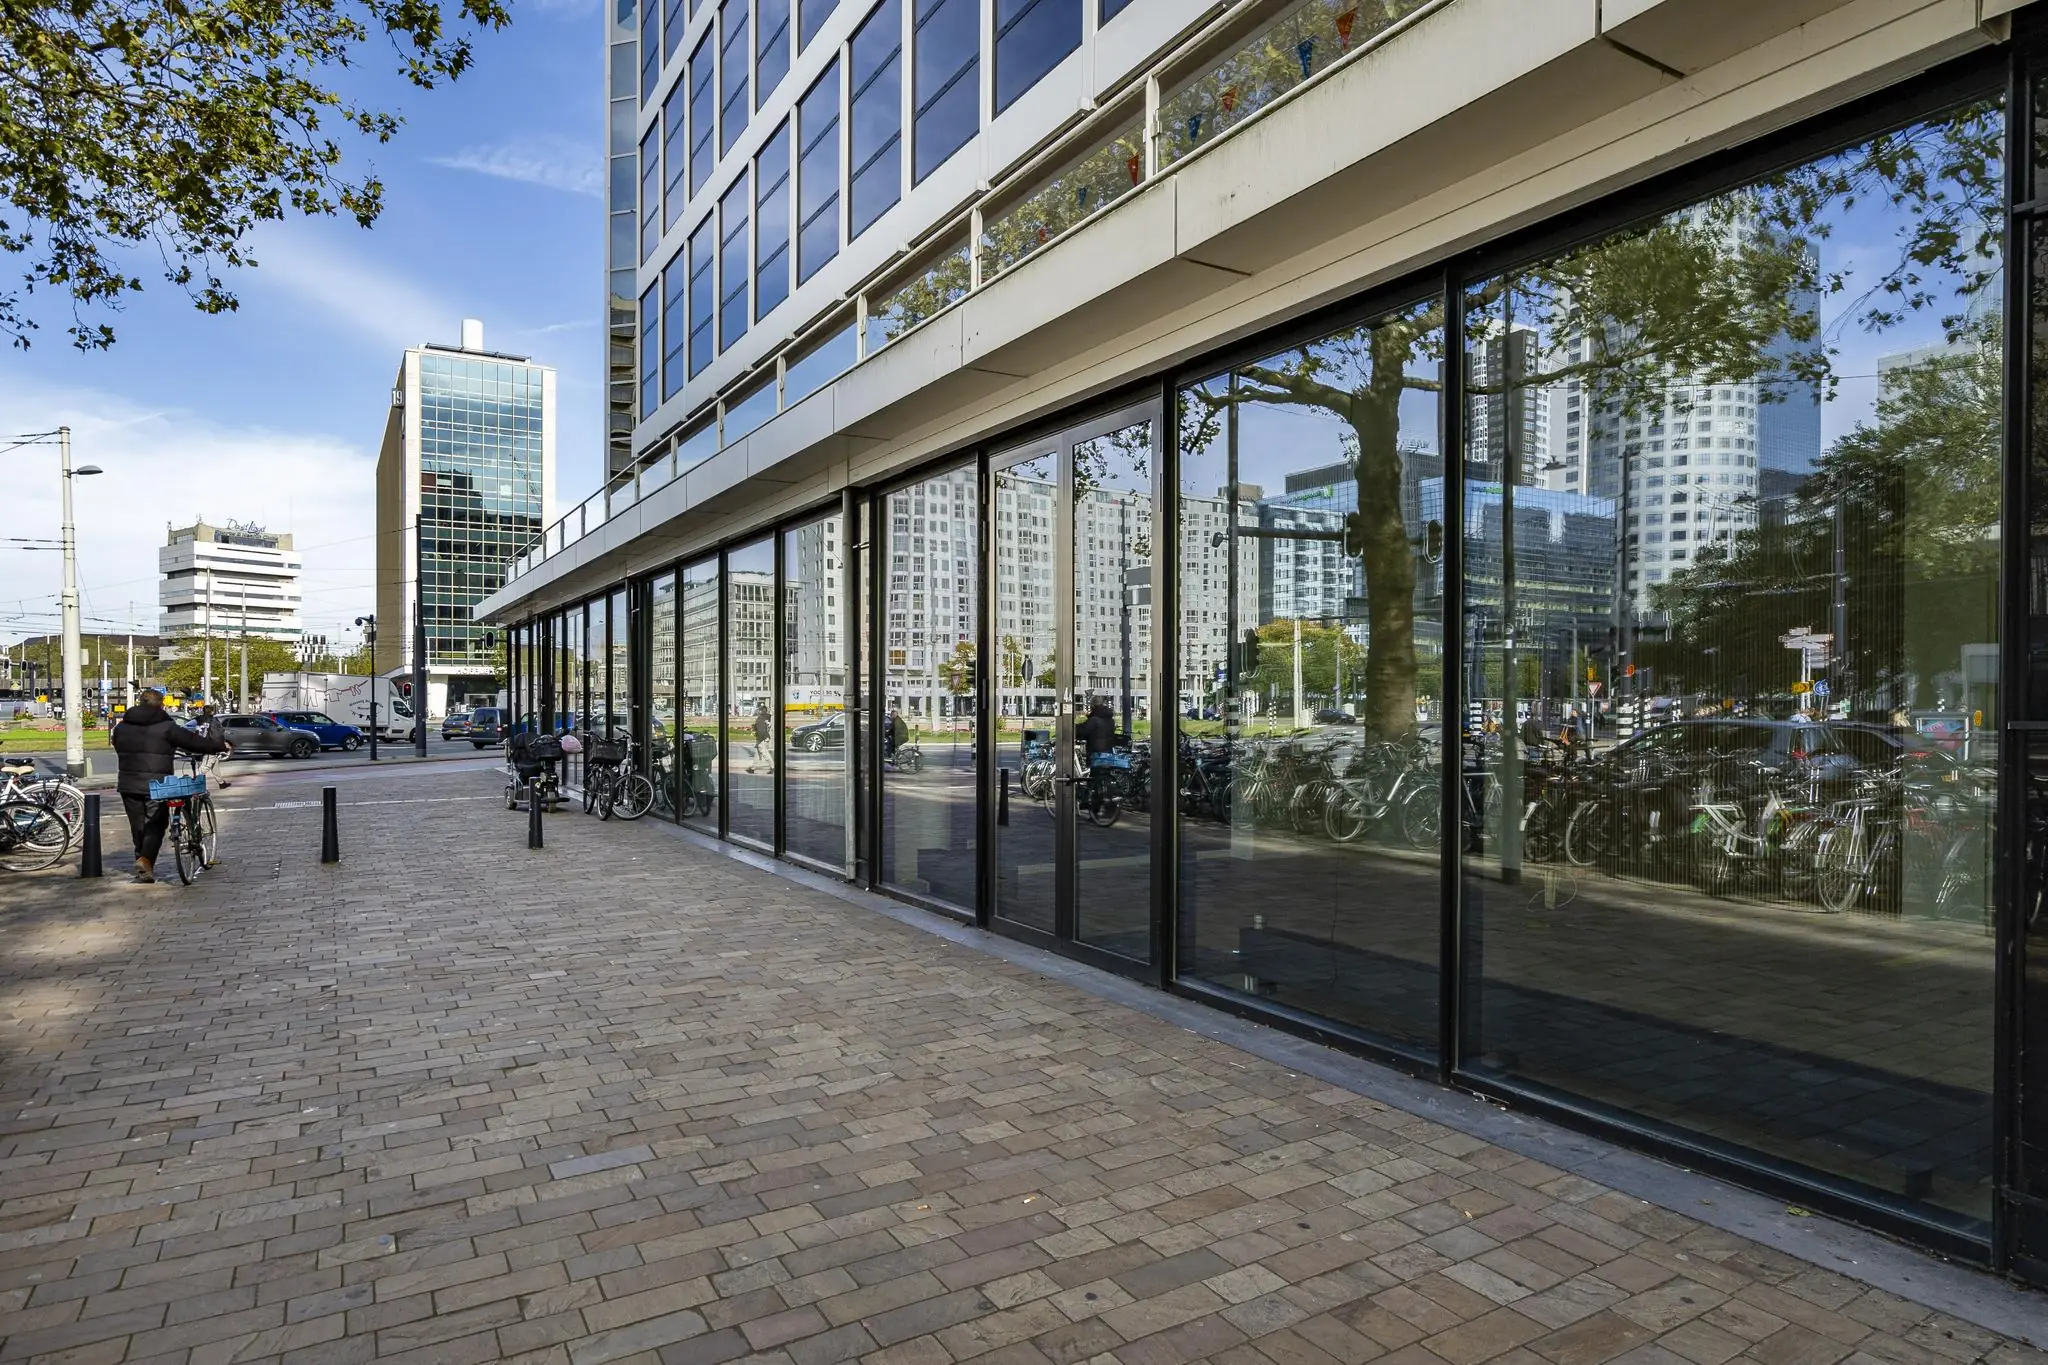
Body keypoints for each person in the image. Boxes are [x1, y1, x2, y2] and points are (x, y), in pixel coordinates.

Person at [111, 690, 228, 884]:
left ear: (140, 703)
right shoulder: (167, 726)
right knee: (156, 824)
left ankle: (143, 865)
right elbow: (193, 742)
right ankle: (145, 860)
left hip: (128, 783)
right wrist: (219, 746)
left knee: (137, 826)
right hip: (157, 784)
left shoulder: (122, 727)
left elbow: (117, 746)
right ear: (161, 705)